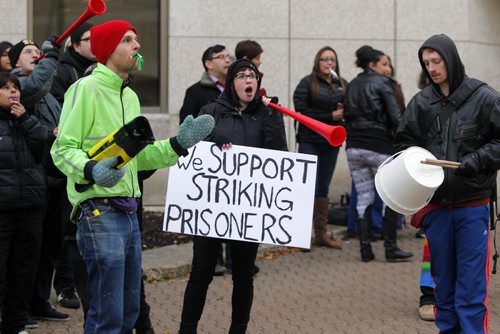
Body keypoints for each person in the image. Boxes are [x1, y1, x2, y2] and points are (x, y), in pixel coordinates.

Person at [50, 20, 214, 333]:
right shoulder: (85, 89)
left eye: (136, 40)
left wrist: (178, 144)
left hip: (128, 210)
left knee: (128, 311)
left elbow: (138, 159)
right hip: (98, 210)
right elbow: (62, 149)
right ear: (109, 49)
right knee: (107, 313)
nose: (137, 46)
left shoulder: (130, 97)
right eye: (127, 40)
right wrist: (90, 169)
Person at [394, 34, 500, 333]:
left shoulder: (484, 97)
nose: (431, 68)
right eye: (426, 63)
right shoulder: (421, 102)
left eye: (436, 61)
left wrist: (477, 159)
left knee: (471, 290)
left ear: (450, 59)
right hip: (437, 207)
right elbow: (404, 145)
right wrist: (413, 168)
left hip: (472, 205)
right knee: (444, 289)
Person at [178, 59, 287, 334]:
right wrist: (212, 139)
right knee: (201, 272)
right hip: (211, 206)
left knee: (243, 275)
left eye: (253, 75)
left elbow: (279, 157)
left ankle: (238, 330)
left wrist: (273, 116)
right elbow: (188, 141)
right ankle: (187, 329)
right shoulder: (212, 109)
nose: (248, 80)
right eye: (242, 75)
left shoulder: (267, 113)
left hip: (247, 210)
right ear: (231, 82)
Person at [9, 37, 71, 324]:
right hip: (35, 181)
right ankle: (19, 306)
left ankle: (39, 300)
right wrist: (50, 56)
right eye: (29, 52)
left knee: (51, 245)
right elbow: (36, 84)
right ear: (14, 62)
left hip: (55, 178)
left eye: (38, 51)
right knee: (29, 249)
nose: (36, 55)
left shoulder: (47, 93)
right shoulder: (17, 88)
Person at [343, 45, 413, 262]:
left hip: (354, 147)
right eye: (384, 64)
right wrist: (403, 143)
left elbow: (346, 114)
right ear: (372, 64)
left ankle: (365, 249)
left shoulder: (352, 83)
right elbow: (395, 117)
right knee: (390, 196)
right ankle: (390, 248)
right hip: (379, 146)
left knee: (364, 195)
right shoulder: (382, 83)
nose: (389, 68)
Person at [0, 72, 47, 334]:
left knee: (24, 270)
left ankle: (15, 324)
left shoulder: (28, 120)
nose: (13, 92)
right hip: (3, 210)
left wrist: (25, 119)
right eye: (5, 88)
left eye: (15, 87)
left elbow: (44, 144)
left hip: (30, 207)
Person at [292, 46, 346, 249]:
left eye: (332, 59)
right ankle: (301, 235)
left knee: (322, 188)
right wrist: (330, 117)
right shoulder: (307, 83)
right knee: (307, 188)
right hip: (309, 140)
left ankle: (320, 234)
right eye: (324, 59)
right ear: (318, 62)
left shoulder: (341, 84)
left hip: (330, 142)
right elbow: (301, 111)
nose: (329, 63)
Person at [179, 44, 231, 123]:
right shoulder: (194, 92)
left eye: (228, 56)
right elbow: (186, 126)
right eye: (221, 57)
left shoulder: (236, 87)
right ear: (208, 64)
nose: (228, 60)